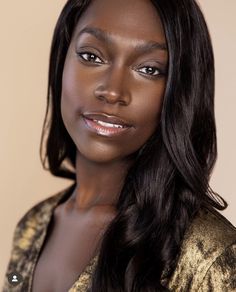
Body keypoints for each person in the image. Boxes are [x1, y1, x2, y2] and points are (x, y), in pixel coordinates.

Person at [3, 0, 236, 291]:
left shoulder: (209, 256)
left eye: (149, 70)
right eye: (91, 55)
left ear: (180, 90)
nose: (113, 91)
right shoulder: (33, 225)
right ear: (61, 61)